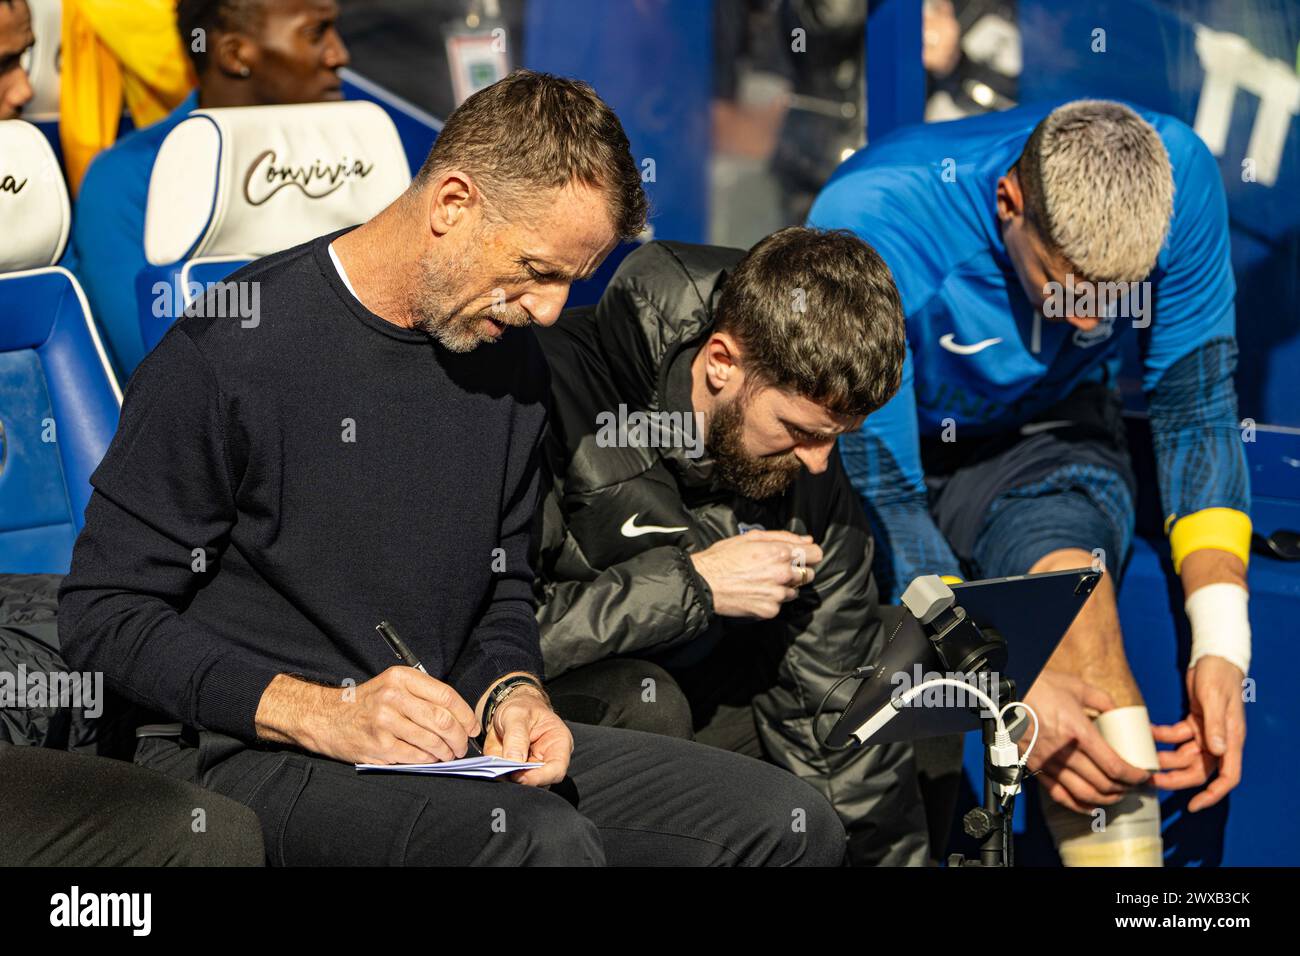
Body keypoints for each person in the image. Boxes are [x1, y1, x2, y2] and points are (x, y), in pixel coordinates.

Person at [58, 70, 848, 867]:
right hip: (246, 752)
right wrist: (319, 712)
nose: (547, 309)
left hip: (448, 743)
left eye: (571, 282)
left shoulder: (509, 365)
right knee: (541, 845)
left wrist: (514, 689)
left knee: (787, 822)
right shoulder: (230, 350)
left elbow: (500, 586)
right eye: (538, 271)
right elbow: (103, 613)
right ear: (452, 205)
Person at [809, 99, 1250, 863]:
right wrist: (995, 684)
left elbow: (1197, 411)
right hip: (889, 448)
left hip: (1046, 438)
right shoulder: (874, 216)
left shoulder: (1184, 178)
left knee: (1078, 608)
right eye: (1069, 286)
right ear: (1008, 202)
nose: (1091, 323)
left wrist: (1222, 646)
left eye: (1116, 298)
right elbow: (882, 489)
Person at [531, 227, 931, 867]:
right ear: (722, 361)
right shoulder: (545, 389)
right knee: (645, 697)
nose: (821, 463)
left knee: (909, 669)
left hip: (703, 688)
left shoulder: (805, 462)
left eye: (836, 437)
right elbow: (491, 635)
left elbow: (833, 695)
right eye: (799, 431)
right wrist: (693, 586)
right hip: (548, 712)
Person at [0, 1, 264, 867]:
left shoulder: (40, 279)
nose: (29, 88)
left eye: (27, 55)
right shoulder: (121, 186)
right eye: (2, 64)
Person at [68, 0, 351, 377]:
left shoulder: (356, 153)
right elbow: (160, 365)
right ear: (235, 55)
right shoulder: (125, 178)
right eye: (316, 33)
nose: (339, 54)